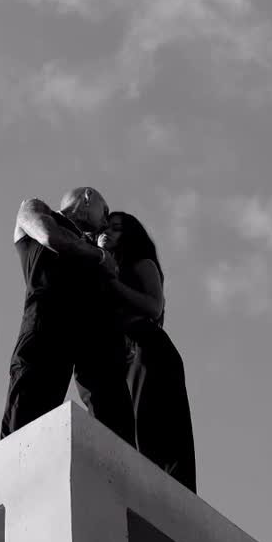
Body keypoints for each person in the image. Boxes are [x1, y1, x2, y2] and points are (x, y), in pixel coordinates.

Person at [0, 188, 135, 445]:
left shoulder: (93, 248)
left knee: (115, 419)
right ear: (87, 198)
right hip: (47, 328)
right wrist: (99, 256)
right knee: (28, 418)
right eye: (105, 211)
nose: (106, 220)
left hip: (91, 341)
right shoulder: (37, 209)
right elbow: (49, 235)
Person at [98, 211, 197, 492]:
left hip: (149, 348)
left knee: (156, 426)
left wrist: (114, 285)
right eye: (106, 228)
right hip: (125, 355)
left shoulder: (141, 264)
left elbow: (154, 306)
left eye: (116, 228)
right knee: (135, 426)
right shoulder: (102, 267)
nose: (108, 233)